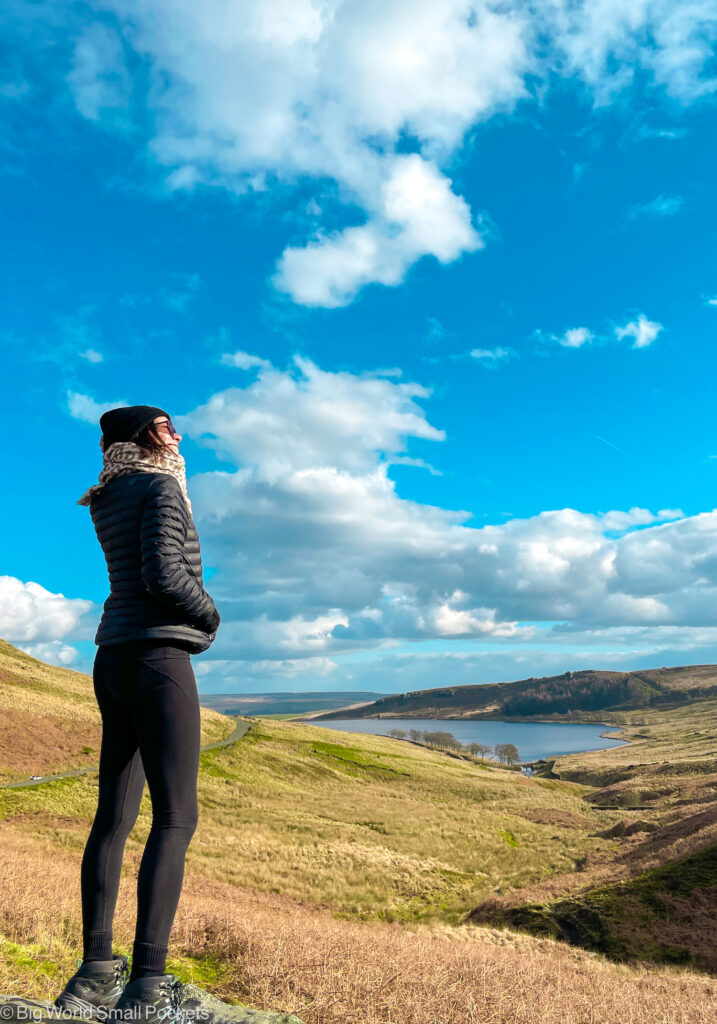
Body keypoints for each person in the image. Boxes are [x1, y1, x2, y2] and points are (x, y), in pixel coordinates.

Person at [55, 405, 221, 1022]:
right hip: (158, 658)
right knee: (176, 819)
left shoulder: (107, 495)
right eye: (164, 425)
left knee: (113, 818)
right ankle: (149, 988)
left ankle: (95, 973)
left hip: (113, 658)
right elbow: (163, 573)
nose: (177, 433)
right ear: (140, 438)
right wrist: (210, 614)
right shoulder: (161, 485)